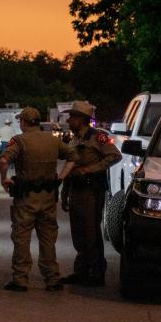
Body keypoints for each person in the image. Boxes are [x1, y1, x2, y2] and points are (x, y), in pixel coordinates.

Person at [0, 106, 76, 292]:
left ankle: (20, 279)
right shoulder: (52, 141)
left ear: (24, 122)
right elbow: (73, 156)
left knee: (22, 238)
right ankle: (52, 278)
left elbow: (3, 161)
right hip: (48, 198)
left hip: (26, 198)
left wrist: (4, 179)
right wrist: (61, 177)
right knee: (48, 239)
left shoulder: (20, 141)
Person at [61, 100, 121, 286]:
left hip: (91, 190)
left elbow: (114, 156)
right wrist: (65, 192)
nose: (69, 120)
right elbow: (70, 166)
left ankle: (96, 272)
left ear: (81, 119)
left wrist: (90, 169)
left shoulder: (98, 137)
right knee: (78, 233)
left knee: (91, 232)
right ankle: (81, 271)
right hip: (76, 189)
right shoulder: (74, 138)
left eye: (72, 116)